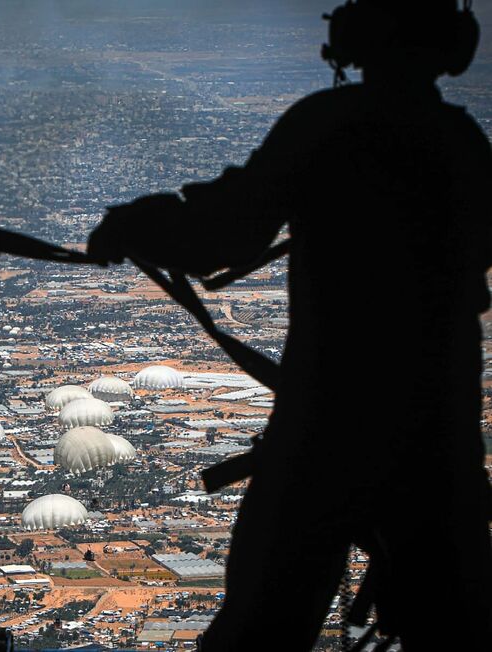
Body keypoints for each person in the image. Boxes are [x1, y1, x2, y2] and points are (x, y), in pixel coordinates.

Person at [88, 1, 491, 649]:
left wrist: (134, 225)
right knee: (455, 626)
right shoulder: (462, 143)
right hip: (438, 432)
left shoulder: (328, 125)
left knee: (263, 627)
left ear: (353, 41)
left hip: (326, 428)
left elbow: (226, 230)